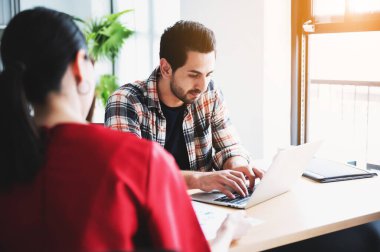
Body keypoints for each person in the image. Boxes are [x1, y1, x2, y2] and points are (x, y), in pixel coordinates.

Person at [0, 7, 253, 252]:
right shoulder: (138, 159)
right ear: (80, 66)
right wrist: (227, 233)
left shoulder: (11, 160)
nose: (203, 83)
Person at [105, 20, 263, 199]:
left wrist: (237, 166)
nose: (202, 85)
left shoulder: (210, 93)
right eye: (194, 75)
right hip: (149, 209)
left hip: (203, 209)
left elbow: (230, 147)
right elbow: (133, 173)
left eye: (208, 74)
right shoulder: (126, 101)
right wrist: (199, 180)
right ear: (166, 69)